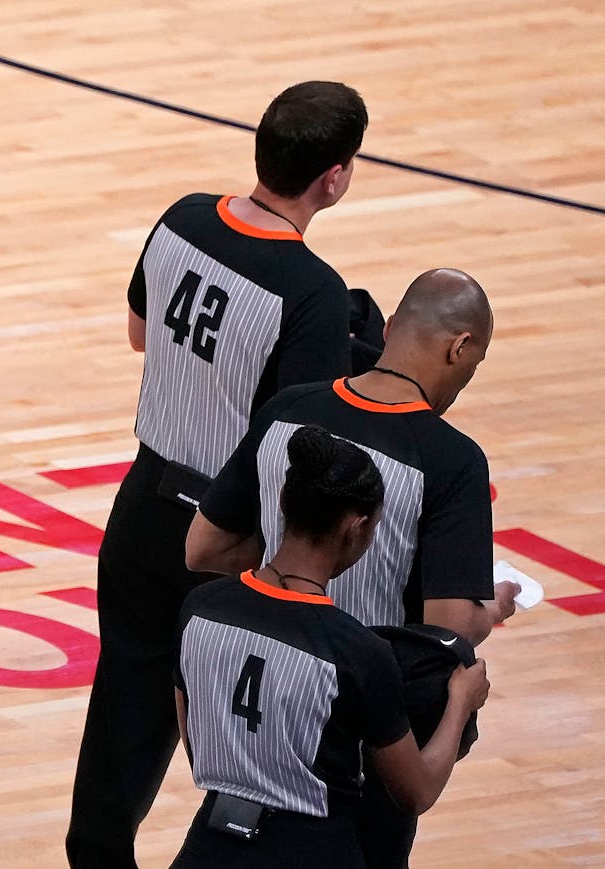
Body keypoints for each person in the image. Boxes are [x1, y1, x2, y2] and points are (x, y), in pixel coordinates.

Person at [66, 80, 369, 868]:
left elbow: (140, 333)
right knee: (253, 737)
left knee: (124, 709)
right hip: (232, 533)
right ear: (334, 177)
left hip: (142, 504)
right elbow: (305, 446)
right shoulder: (312, 291)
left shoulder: (183, 217)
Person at [185, 267, 519, 865]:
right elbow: (447, 623)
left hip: (258, 725)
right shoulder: (452, 459)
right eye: (476, 362)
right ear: (460, 347)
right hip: (367, 731)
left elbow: (204, 549)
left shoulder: (290, 409)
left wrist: (288, 569)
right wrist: (489, 607)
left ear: (390, 328)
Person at [170, 425, 490, 868]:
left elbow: (195, 743)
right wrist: (460, 702)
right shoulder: (357, 651)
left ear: (283, 503)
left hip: (209, 845)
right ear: (356, 529)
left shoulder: (199, 608)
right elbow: (414, 793)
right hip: (314, 851)